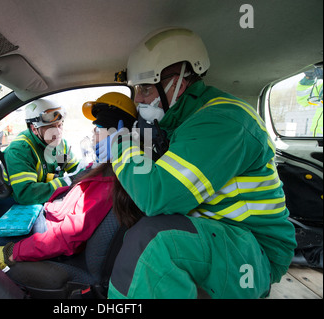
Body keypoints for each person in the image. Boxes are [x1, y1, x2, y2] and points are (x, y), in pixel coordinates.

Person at [103, 27, 297, 299]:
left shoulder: (224, 120)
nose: (138, 99)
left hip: (254, 249)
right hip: (219, 235)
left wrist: (121, 143)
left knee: (151, 242)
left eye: (145, 88)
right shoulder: (180, 123)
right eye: (136, 89)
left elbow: (154, 196)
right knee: (138, 237)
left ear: (178, 83)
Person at [0, 92, 139, 267]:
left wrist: (12, 252)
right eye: (51, 127)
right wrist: (76, 176)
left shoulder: (65, 150)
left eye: (60, 125)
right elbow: (27, 194)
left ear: (117, 136)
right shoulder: (20, 150)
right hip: (32, 205)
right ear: (34, 129)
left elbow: (67, 234)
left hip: (46, 224)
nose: (58, 132)